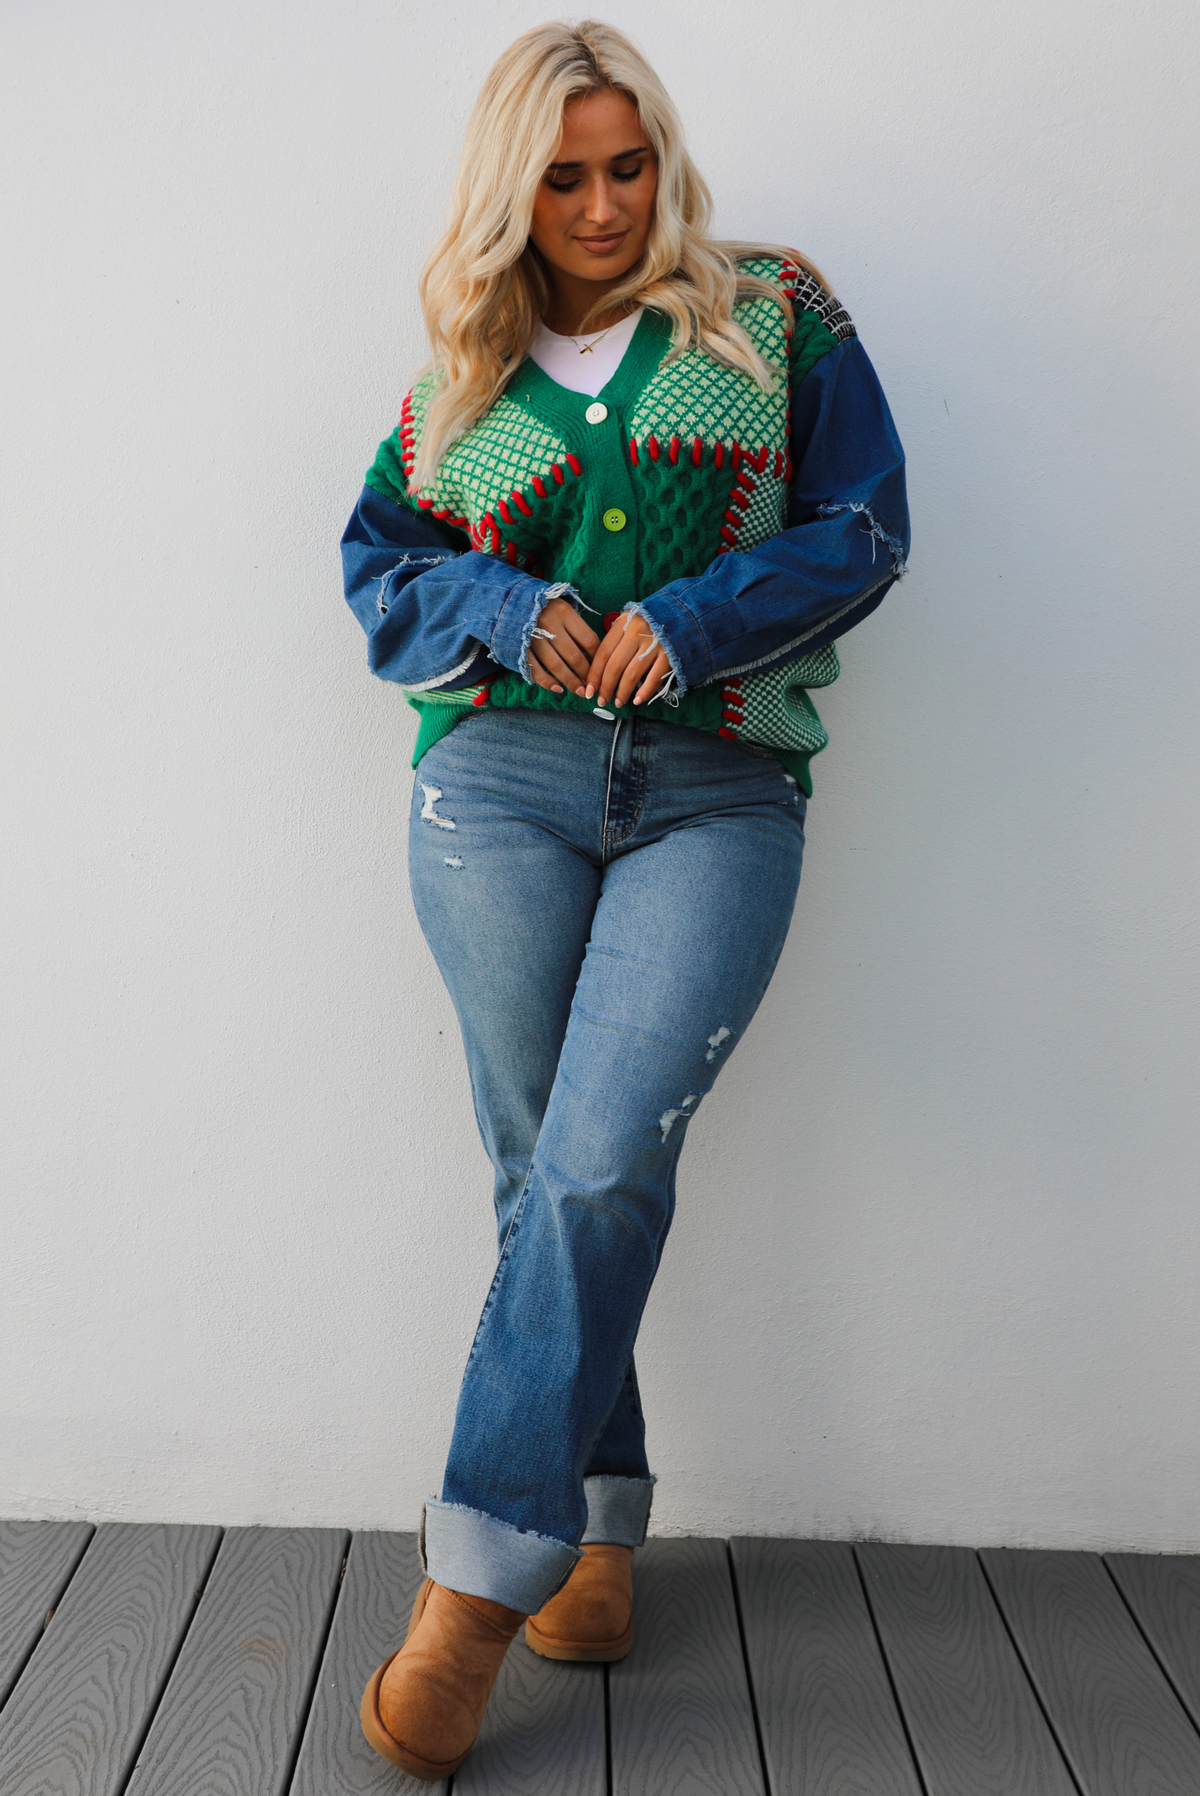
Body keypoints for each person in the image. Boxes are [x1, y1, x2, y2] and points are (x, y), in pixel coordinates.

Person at [341, 18, 908, 1781]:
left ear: (663, 153)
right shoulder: (461, 356)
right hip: (495, 789)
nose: (601, 204)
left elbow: (870, 525)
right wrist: (508, 619)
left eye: (627, 163)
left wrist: (707, 620)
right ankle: (598, 1524)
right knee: (545, 1168)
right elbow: (379, 573)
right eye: (563, 175)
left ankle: (469, 1595)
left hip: (719, 787)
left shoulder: (773, 311)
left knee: (599, 1157)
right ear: (514, 186)